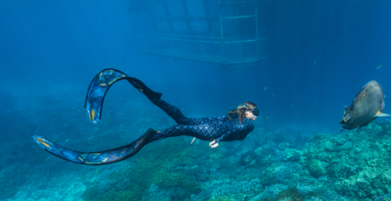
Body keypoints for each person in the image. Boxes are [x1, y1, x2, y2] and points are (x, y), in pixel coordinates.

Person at [33, 69, 259, 165]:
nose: (255, 117)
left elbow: (220, 120)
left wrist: (199, 129)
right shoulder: (248, 125)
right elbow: (232, 131)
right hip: (211, 131)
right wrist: (215, 139)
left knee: (182, 120)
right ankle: (153, 136)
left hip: (207, 125)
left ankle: (151, 95)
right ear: (249, 113)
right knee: (180, 128)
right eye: (255, 114)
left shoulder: (236, 113)